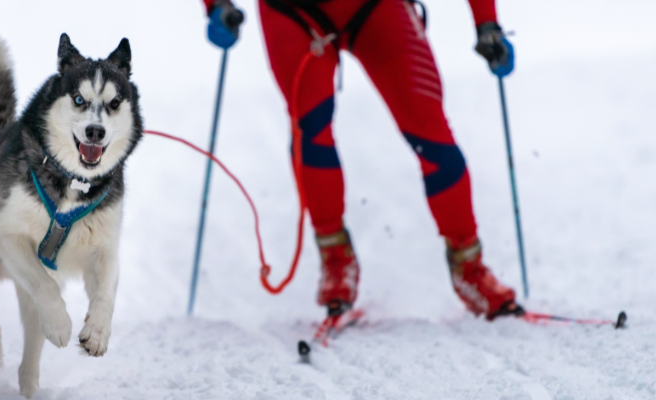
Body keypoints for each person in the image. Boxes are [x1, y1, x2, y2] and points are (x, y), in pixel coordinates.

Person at [201, 0, 520, 319]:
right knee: (310, 129)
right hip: (291, 11)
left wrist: (487, 24)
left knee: (431, 132)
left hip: (375, 6)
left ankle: (469, 266)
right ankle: (335, 257)